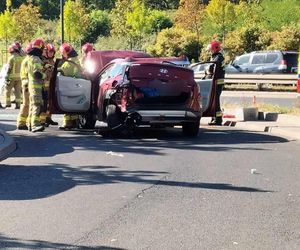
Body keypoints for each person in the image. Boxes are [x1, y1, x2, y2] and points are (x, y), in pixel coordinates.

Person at [58, 43, 81, 130]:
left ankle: (67, 123)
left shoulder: (68, 62)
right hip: (75, 85)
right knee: (73, 105)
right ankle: (75, 122)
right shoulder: (76, 59)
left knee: (65, 105)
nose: (62, 55)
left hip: (68, 85)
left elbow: (63, 71)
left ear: (65, 52)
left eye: (62, 53)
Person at [27, 38, 47, 132]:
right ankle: (35, 125)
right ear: (40, 47)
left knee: (33, 104)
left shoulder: (31, 58)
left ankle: (30, 124)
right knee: (37, 105)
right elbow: (37, 74)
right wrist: (45, 75)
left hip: (32, 86)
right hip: (36, 86)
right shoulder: (36, 59)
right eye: (43, 48)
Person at [207, 40, 225, 126]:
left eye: (211, 49)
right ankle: (214, 118)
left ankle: (218, 119)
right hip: (215, 82)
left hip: (217, 83)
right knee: (214, 101)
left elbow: (211, 68)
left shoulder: (218, 57)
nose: (210, 51)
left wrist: (207, 71)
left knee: (216, 101)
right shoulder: (216, 56)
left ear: (215, 49)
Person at [40, 43, 58, 126]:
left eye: (52, 52)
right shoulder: (43, 61)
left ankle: (48, 118)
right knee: (44, 104)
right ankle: (42, 121)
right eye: (49, 52)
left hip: (51, 85)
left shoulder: (53, 61)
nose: (51, 53)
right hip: (44, 86)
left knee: (50, 103)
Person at [16, 43, 33, 130]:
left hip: (26, 83)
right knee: (26, 104)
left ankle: (26, 122)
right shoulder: (28, 60)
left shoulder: (27, 59)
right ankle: (21, 123)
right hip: (27, 84)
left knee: (29, 104)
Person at [5, 43, 24, 109]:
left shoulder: (11, 58)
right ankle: (18, 105)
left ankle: (8, 104)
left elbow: (9, 68)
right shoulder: (21, 58)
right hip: (19, 78)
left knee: (7, 90)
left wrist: (7, 76)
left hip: (12, 77)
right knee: (18, 91)